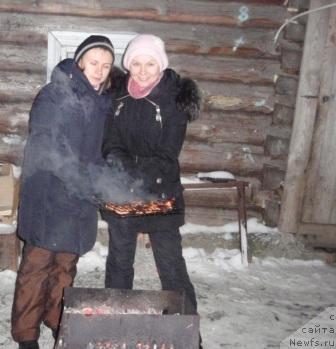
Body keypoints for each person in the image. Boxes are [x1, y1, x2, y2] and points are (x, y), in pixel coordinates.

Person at [11, 35, 114, 349]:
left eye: (106, 65)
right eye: (94, 62)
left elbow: (95, 152)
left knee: (66, 266)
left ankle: (56, 319)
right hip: (49, 194)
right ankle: (27, 334)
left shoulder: (100, 102)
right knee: (37, 266)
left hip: (78, 198)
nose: (99, 70)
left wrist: (100, 180)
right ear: (80, 60)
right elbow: (45, 148)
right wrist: (81, 178)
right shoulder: (56, 94)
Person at [101, 34, 202, 348]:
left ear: (161, 65)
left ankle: (188, 334)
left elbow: (167, 156)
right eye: (136, 63)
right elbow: (110, 142)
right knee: (119, 263)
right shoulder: (117, 95)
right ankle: (116, 330)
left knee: (171, 266)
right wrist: (120, 170)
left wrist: (130, 172)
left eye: (150, 63)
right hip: (121, 191)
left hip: (160, 193)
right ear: (128, 64)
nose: (142, 71)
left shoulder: (174, 99)